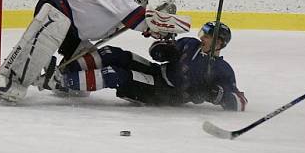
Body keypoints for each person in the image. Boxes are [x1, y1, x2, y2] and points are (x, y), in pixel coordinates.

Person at [0, 0, 187, 104]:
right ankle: (8, 77)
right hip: (58, 7)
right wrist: (160, 23)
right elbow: (137, 19)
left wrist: (153, 26)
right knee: (16, 82)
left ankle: (58, 79)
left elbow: (138, 21)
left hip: (73, 28)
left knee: (86, 68)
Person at [45, 21, 248, 111]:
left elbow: (240, 101)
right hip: (156, 72)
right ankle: (67, 71)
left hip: (164, 92)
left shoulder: (223, 70)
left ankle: (62, 82)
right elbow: (157, 53)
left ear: (219, 43)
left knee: (116, 74)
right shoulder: (190, 44)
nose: (202, 37)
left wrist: (218, 95)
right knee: (113, 53)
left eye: (208, 36)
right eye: (203, 33)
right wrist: (162, 49)